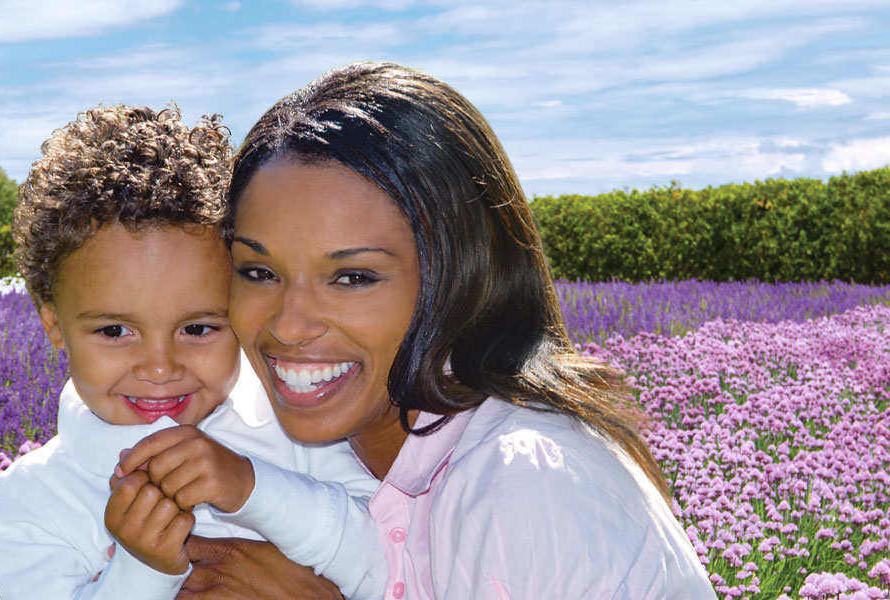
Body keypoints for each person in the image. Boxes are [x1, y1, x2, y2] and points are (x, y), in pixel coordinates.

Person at [126, 61, 717, 599]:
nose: (289, 323)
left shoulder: (522, 480)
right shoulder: (324, 456)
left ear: (459, 274)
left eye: (353, 277)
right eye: (259, 271)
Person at [0, 104, 385, 600]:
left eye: (197, 328)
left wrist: (249, 486)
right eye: (114, 331)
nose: (159, 368)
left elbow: (386, 562)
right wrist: (143, 569)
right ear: (53, 323)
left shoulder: (300, 432)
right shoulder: (35, 497)